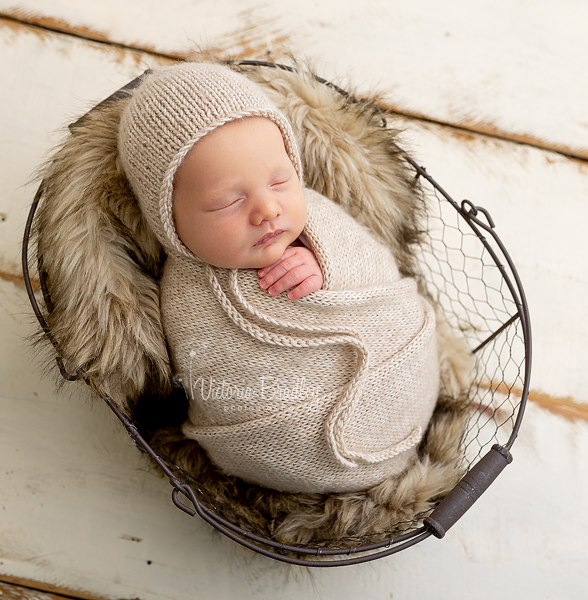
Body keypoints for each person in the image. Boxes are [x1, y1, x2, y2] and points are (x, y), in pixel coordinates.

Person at [118, 62, 440, 493]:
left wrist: (326, 267)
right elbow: (209, 373)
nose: (267, 209)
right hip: (278, 441)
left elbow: (375, 264)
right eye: (227, 203)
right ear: (168, 221)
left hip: (402, 372)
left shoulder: (318, 221)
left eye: (279, 180)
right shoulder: (184, 295)